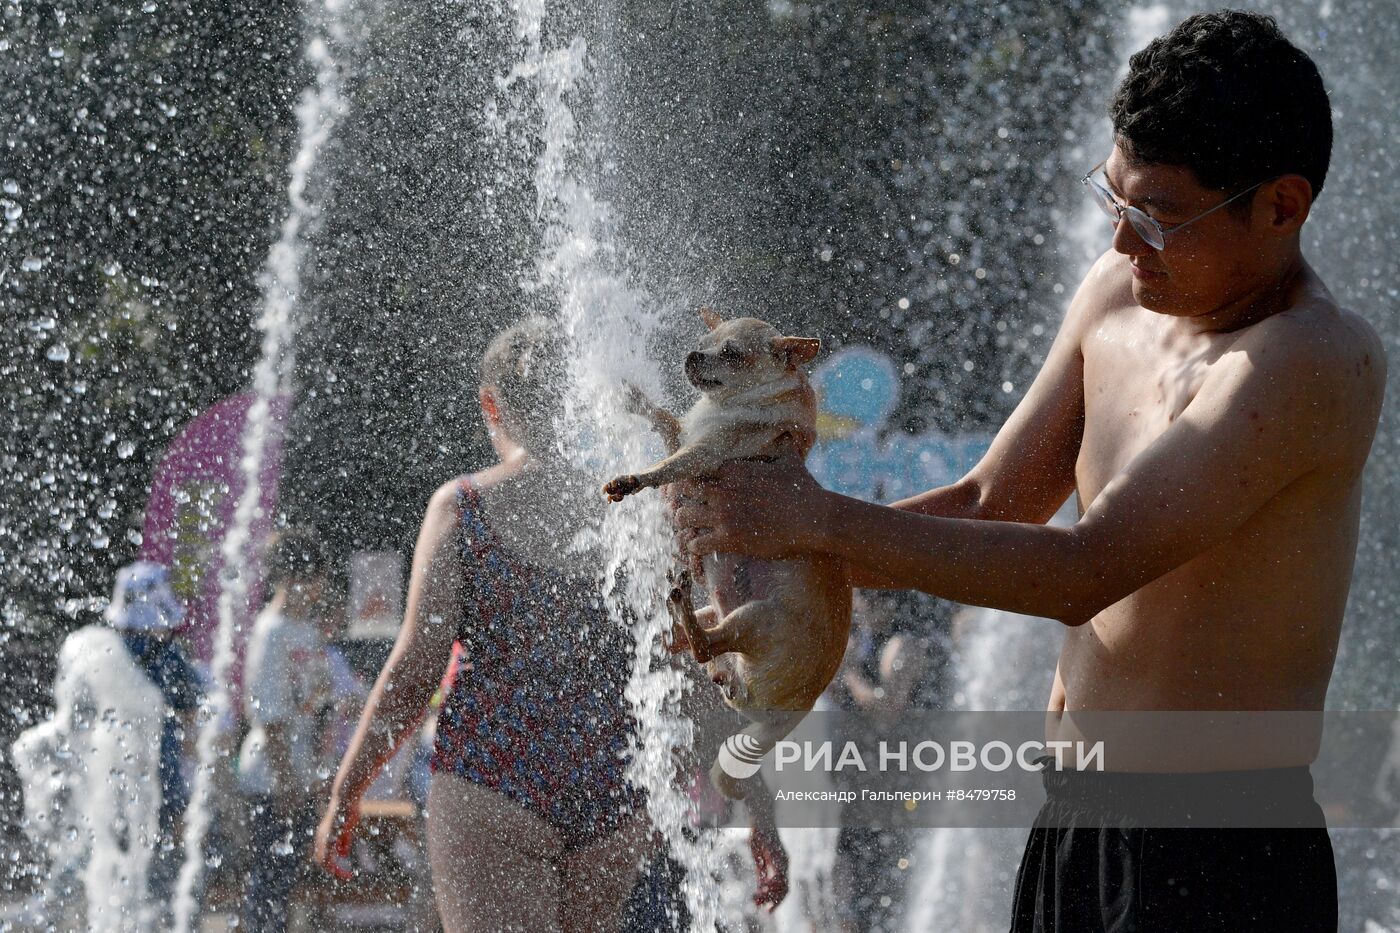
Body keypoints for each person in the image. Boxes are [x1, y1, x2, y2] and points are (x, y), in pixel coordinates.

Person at [670, 11, 1385, 932]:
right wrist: (755, 548)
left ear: (1281, 205)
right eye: (1115, 202)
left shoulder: (1311, 359)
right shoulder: (1114, 292)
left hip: (1223, 848)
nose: (1125, 245)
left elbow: (1083, 571)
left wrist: (810, 522)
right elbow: (989, 503)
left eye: (1160, 218)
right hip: (1074, 824)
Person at [314, 318, 651, 932]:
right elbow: (682, 661)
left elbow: (418, 670)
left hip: (494, 780)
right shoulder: (629, 509)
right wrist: (757, 809)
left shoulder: (464, 507)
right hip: (611, 782)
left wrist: (348, 789)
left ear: (491, 405)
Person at [238, 527, 335, 933]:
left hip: (297, 771)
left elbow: (312, 704)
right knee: (270, 879)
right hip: (270, 775)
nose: (318, 589)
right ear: (294, 578)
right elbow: (269, 714)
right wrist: (286, 780)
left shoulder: (306, 631)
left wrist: (312, 771)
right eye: (314, 579)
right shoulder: (270, 632)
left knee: (287, 877)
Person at [829, 590, 935, 933]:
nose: (859, 605)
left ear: (890, 602)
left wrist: (848, 677)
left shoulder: (904, 645)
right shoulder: (860, 643)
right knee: (848, 889)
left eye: (868, 599)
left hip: (895, 792)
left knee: (887, 887)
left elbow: (887, 711)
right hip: (856, 789)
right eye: (857, 597)